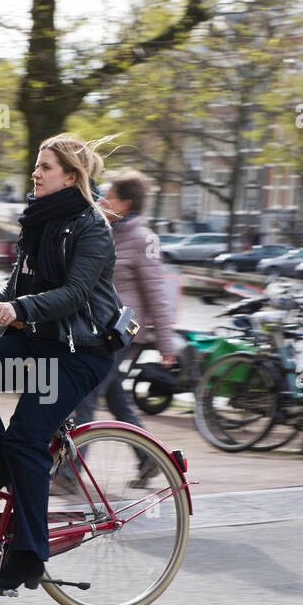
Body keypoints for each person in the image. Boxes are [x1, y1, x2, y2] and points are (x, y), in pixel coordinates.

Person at [0, 134, 119, 592]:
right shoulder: (37, 221)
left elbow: (75, 294)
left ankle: (28, 557)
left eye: (45, 167)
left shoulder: (90, 225)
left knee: (26, 439)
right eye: (36, 166)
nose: (34, 173)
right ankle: (4, 464)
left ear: (71, 177)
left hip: (81, 352)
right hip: (39, 343)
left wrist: (22, 310)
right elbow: (13, 288)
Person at [74, 170, 177, 438]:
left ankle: (69, 475)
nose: (103, 201)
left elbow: (157, 294)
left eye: (109, 197)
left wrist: (167, 344)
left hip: (122, 331)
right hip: (99, 327)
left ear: (125, 204)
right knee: (114, 394)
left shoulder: (145, 239)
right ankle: (148, 459)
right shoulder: (107, 232)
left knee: (87, 392)